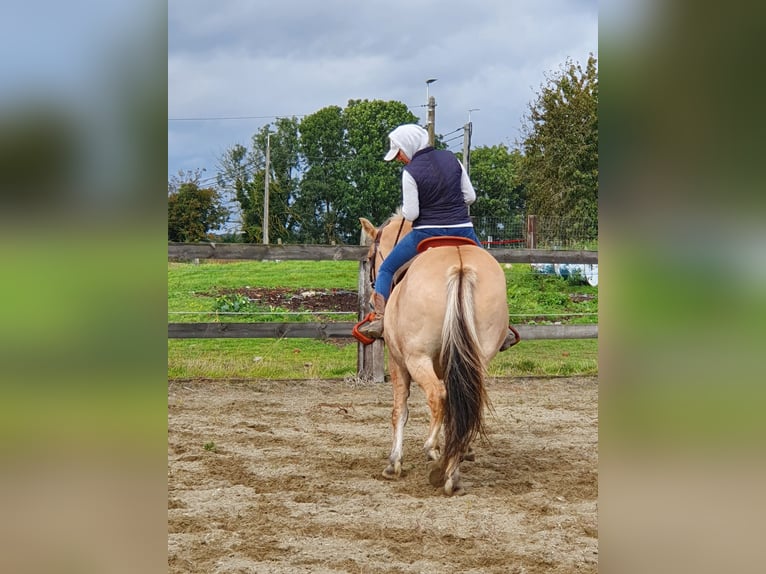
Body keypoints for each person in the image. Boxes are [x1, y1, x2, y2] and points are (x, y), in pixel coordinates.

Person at [357, 123, 483, 339]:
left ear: (409, 146)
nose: (399, 158)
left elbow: (412, 213)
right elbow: (470, 197)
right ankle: (503, 326)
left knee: (386, 268)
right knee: (490, 268)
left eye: (399, 153)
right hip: (463, 231)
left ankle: (379, 320)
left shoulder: (410, 172)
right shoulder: (453, 160)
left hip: (427, 233)